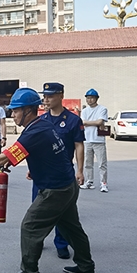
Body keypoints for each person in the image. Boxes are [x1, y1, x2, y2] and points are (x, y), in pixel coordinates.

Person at [0, 88, 96, 273]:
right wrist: (36, 167)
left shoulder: (35, 131)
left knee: (30, 226)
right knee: (71, 228)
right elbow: (46, 152)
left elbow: (6, 156)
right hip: (66, 185)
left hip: (55, 190)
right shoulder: (43, 125)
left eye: (15, 111)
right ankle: (86, 266)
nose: (12, 115)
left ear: (28, 111)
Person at [36, 82, 85, 260]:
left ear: (61, 95)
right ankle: (37, 241)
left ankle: (61, 244)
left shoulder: (73, 120)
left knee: (63, 212)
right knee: (38, 208)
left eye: (50, 95)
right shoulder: (41, 120)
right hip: (42, 173)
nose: (46, 99)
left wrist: (80, 170)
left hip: (63, 173)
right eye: (45, 96)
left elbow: (79, 145)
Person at [80, 89, 109, 193]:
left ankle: (103, 183)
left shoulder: (102, 109)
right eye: (87, 98)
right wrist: (95, 122)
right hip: (87, 140)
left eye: (92, 98)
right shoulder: (84, 111)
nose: (89, 100)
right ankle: (89, 181)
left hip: (99, 140)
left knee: (102, 163)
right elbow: (83, 122)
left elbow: (100, 121)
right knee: (88, 163)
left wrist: (88, 123)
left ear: (96, 98)